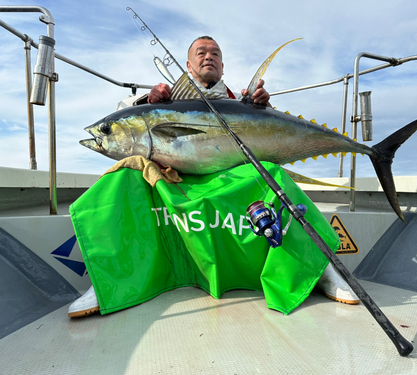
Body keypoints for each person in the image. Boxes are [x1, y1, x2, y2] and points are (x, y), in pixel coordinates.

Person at [68, 36, 358, 318]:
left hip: (230, 177)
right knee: (123, 176)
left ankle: (321, 267)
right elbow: (123, 114)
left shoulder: (243, 102)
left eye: (215, 53)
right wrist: (147, 100)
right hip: (176, 181)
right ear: (188, 64)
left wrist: (263, 109)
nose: (209, 57)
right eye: (201, 53)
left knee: (274, 175)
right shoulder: (160, 102)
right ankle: (106, 282)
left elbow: (268, 135)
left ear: (222, 66)